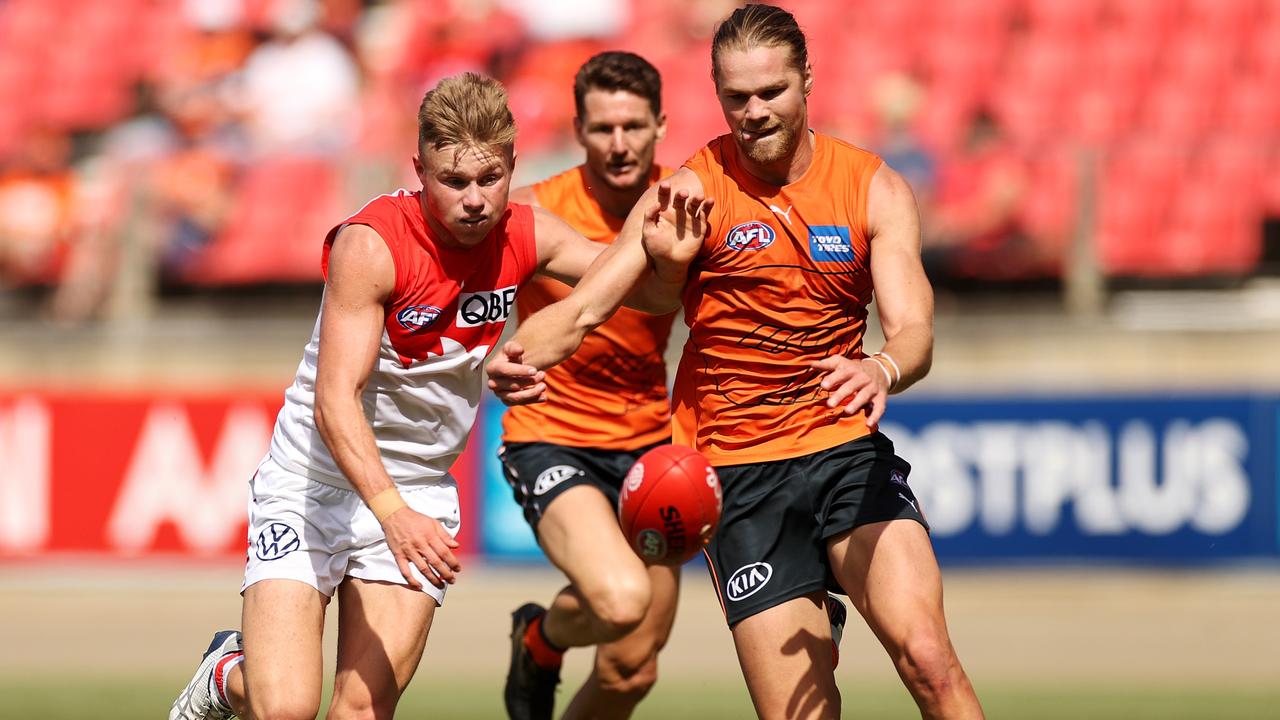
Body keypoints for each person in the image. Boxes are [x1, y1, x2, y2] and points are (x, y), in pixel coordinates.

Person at [486, 5, 985, 718]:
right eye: (736, 97)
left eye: (771, 92)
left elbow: (915, 333)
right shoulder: (689, 192)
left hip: (844, 452)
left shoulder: (873, 187)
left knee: (930, 662)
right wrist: (514, 359)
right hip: (741, 478)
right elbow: (588, 305)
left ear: (808, 80)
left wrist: (880, 370)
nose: (753, 112)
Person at [169, 71, 704, 720]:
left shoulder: (525, 233)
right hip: (313, 480)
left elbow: (633, 294)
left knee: (360, 711)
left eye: (491, 179)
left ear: (512, 165)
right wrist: (392, 512)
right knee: (283, 709)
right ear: (419, 170)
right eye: (454, 182)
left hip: (419, 484)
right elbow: (336, 400)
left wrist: (667, 260)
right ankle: (229, 673)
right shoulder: (373, 243)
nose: (476, 200)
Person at [495, 51, 681, 720]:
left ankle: (540, 641)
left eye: (634, 126)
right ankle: (543, 640)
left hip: (652, 448)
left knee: (631, 670)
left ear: (661, 123)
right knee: (617, 599)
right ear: (578, 129)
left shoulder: (683, 208)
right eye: (603, 128)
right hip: (553, 435)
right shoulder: (530, 211)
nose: (620, 144)